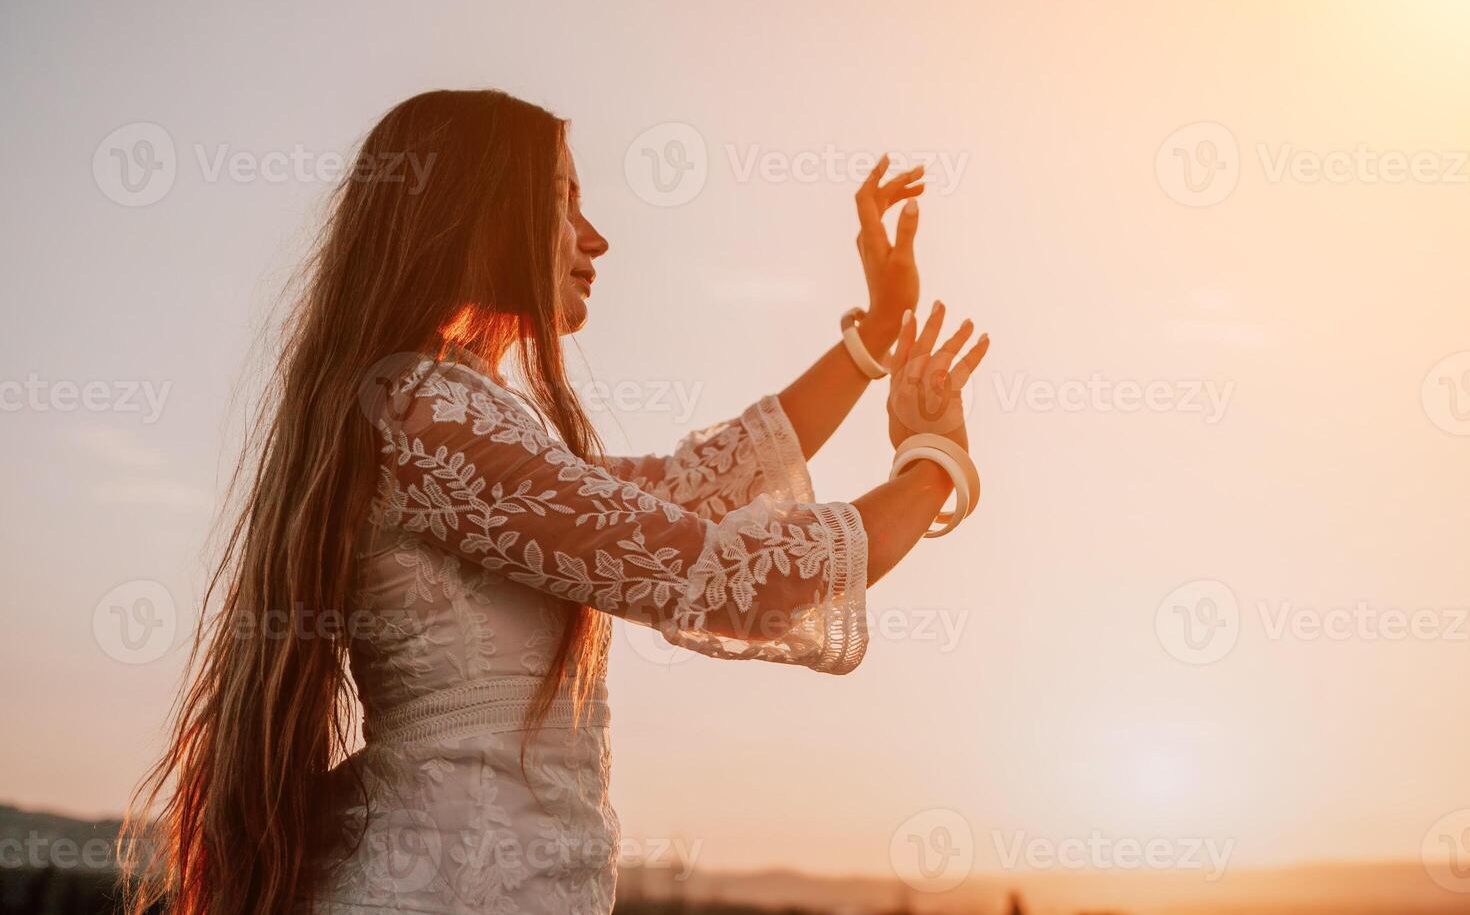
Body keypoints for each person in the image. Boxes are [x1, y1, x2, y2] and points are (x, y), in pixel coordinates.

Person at [124, 89, 990, 915]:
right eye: (564, 200)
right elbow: (732, 577)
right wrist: (934, 463)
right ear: (476, 211)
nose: (596, 237)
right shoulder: (425, 409)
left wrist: (874, 337)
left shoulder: (445, 406)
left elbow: (698, 485)